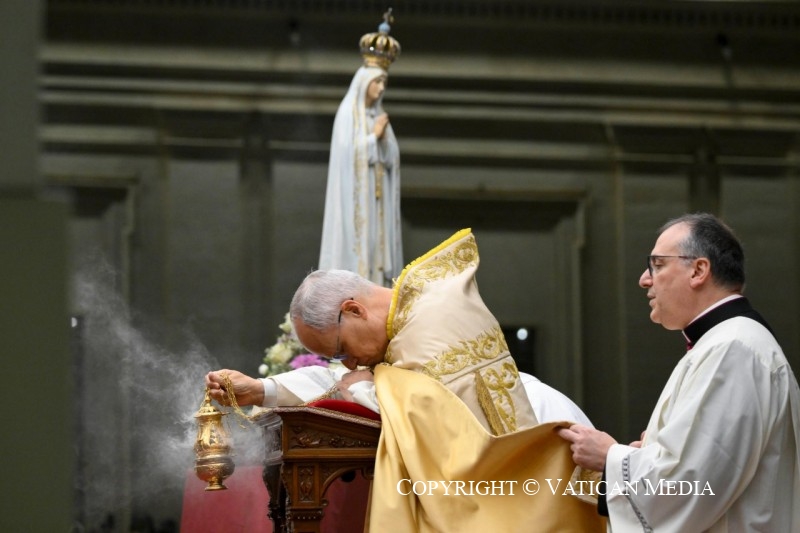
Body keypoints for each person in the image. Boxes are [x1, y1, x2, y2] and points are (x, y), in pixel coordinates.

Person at [208, 228, 605, 531]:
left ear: (354, 310)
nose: (347, 364)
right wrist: (260, 390)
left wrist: (360, 384)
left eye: (342, 350)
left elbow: (424, 408)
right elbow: (354, 383)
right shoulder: (402, 323)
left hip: (538, 455)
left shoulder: (433, 316)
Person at [558, 213, 800, 532]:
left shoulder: (733, 348)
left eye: (657, 265)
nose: (645, 279)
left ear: (698, 270)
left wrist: (610, 457)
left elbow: (696, 482)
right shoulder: (724, 343)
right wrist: (651, 452)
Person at [318, 12, 402, 287]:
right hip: (356, 201)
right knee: (358, 251)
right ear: (364, 83)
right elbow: (347, 157)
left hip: (378, 202)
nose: (380, 89)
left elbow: (391, 160)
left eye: (384, 84)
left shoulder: (379, 119)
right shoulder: (348, 116)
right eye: (377, 82)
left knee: (377, 254)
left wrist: (384, 142)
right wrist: (372, 139)